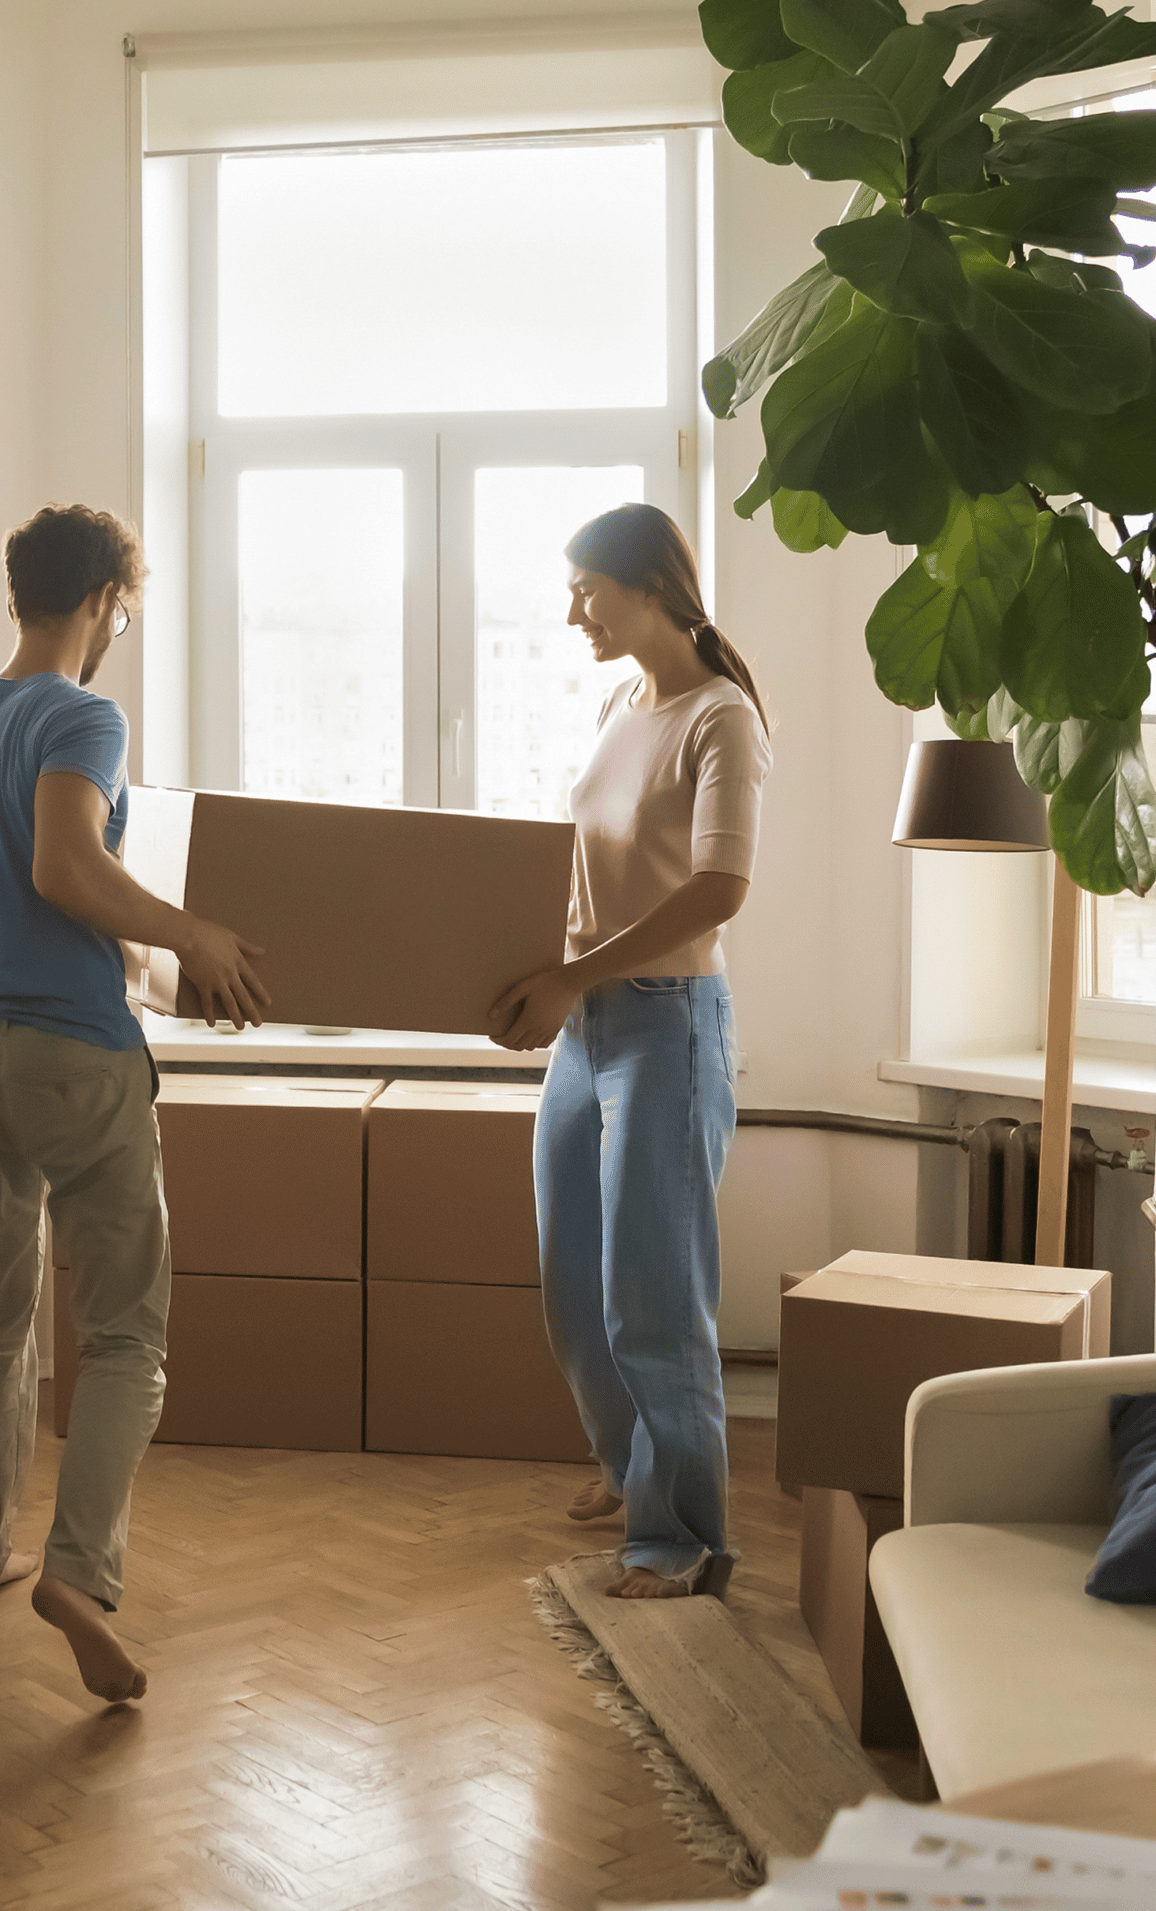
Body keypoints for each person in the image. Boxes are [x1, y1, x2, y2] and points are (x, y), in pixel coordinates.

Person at [0, 502, 271, 1702]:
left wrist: (134, 945)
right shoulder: (82, 716)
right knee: (124, 1334)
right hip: (68, 1055)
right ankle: (76, 1574)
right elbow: (63, 868)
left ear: (17, 593)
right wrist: (191, 936)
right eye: (126, 609)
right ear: (107, 602)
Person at [485, 502, 772, 1601]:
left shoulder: (722, 719)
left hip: (669, 1024)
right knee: (573, 1286)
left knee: (653, 1300)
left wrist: (575, 974)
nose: (574, 616)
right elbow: (592, 863)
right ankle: (625, 1463)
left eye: (586, 592)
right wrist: (544, 969)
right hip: (587, 1026)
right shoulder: (620, 704)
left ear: (649, 586)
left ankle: (681, 1539)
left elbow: (719, 889)